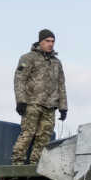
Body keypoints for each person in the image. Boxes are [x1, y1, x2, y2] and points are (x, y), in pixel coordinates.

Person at [12, 29, 68, 165]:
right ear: (40, 42)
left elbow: (61, 85)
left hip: (50, 106)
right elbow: (19, 79)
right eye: (47, 41)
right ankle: (17, 163)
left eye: (53, 41)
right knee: (27, 134)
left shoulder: (56, 63)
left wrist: (63, 107)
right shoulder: (28, 58)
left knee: (44, 138)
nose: (50, 44)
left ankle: (35, 165)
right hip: (32, 103)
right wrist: (21, 101)